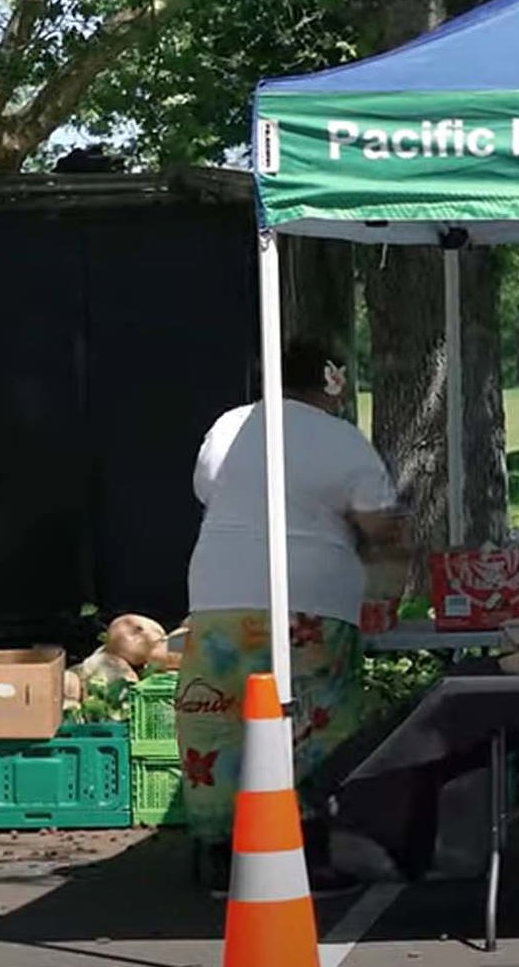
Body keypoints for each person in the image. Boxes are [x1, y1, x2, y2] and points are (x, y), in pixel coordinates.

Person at [178, 339, 410, 895]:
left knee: (217, 718)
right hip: (312, 598)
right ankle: (307, 851)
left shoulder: (229, 425)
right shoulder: (343, 441)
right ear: (332, 382)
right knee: (314, 721)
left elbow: (209, 490)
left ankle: (218, 851)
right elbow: (382, 528)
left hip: (219, 592)